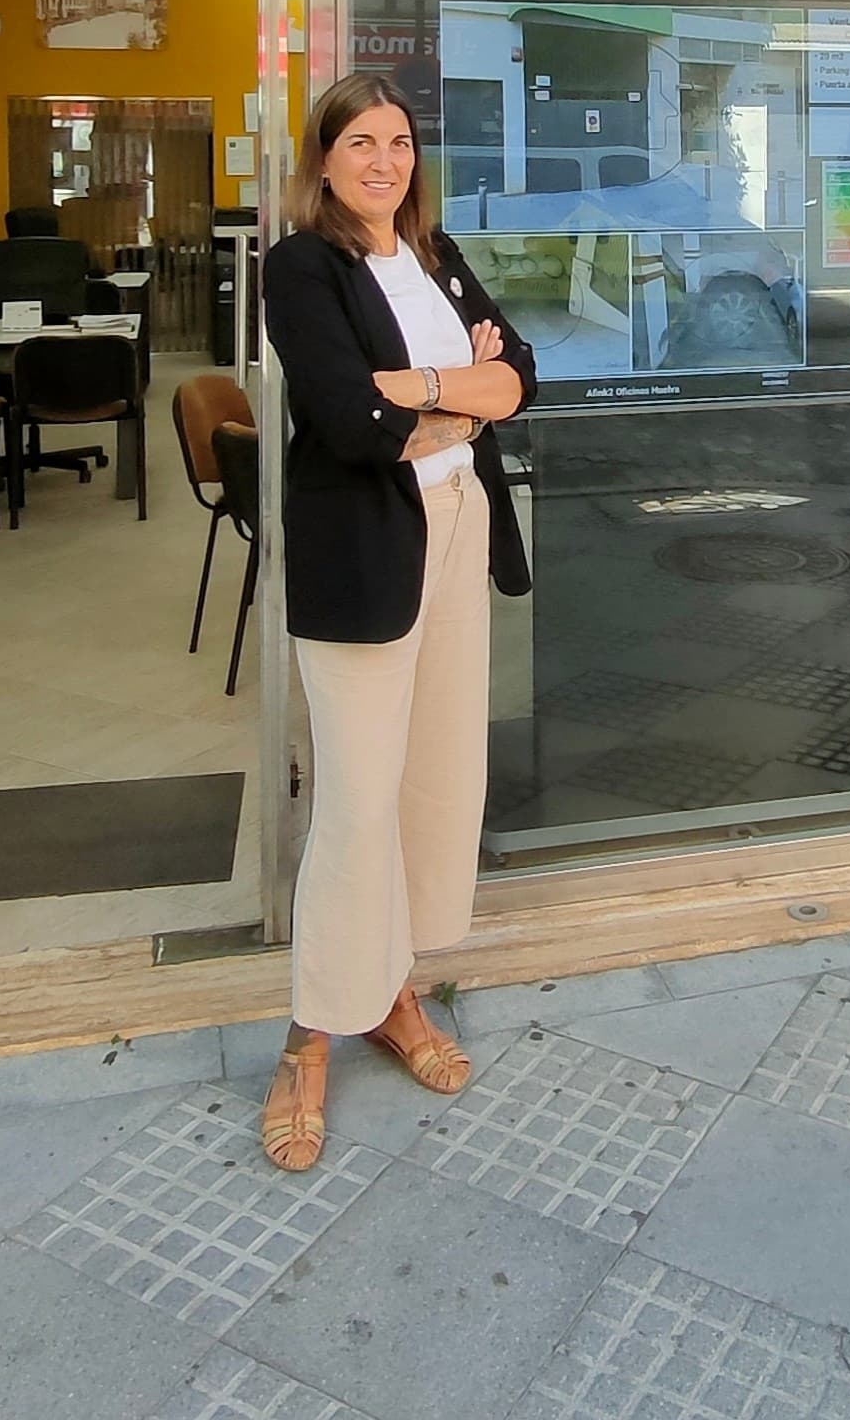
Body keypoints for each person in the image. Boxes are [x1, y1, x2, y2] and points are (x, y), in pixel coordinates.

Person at [256, 71, 538, 1171]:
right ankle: (308, 1037)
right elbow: (344, 416)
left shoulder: (435, 254)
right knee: (358, 802)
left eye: (399, 143)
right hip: (367, 549)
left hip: (458, 525)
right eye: (360, 143)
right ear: (324, 161)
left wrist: (418, 391)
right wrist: (454, 390)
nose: (383, 162)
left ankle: (393, 994)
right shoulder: (302, 266)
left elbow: (520, 378)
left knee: (437, 777)